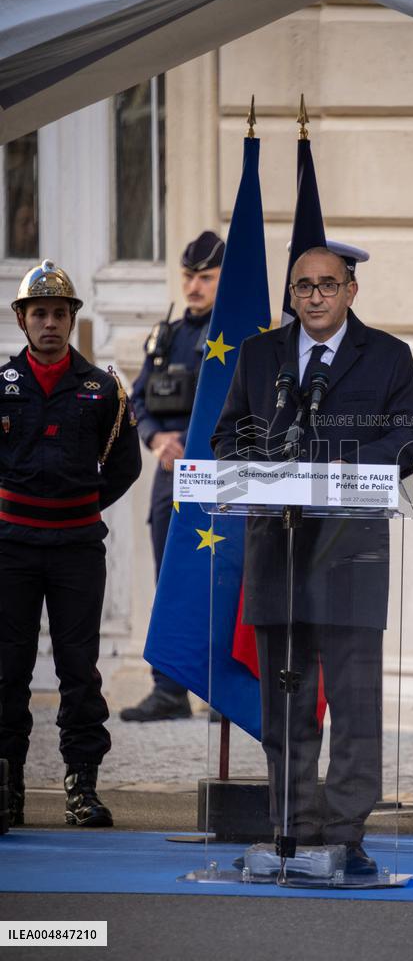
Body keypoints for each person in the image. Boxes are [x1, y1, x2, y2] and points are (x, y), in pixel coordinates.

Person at [211, 245, 413, 874]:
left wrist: (344, 468)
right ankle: (294, 827)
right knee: (288, 701)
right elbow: (227, 436)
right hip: (278, 549)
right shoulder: (260, 357)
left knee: (356, 702)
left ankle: (345, 830)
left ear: (351, 291)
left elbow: (410, 439)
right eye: (303, 286)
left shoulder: (387, 355)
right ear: (292, 293)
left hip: (352, 551)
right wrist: (256, 463)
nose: (314, 297)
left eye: (327, 285)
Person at [0, 260, 141, 828]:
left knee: (79, 669)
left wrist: (77, 506)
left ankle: (81, 787)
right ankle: (7, 788)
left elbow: (125, 465)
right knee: (8, 670)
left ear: (73, 318)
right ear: (22, 320)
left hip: (77, 548)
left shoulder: (101, 389)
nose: (51, 324)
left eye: (60, 313)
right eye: (40, 314)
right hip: (11, 547)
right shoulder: (2, 387)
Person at [120, 231, 224, 722]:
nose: (194, 286)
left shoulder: (241, 336)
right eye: (188, 276)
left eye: (205, 277)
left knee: (225, 579)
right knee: (171, 578)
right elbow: (137, 398)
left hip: (222, 472)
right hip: (171, 471)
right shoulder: (170, 336)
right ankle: (169, 689)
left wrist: (199, 447)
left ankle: (223, 690)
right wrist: (159, 439)